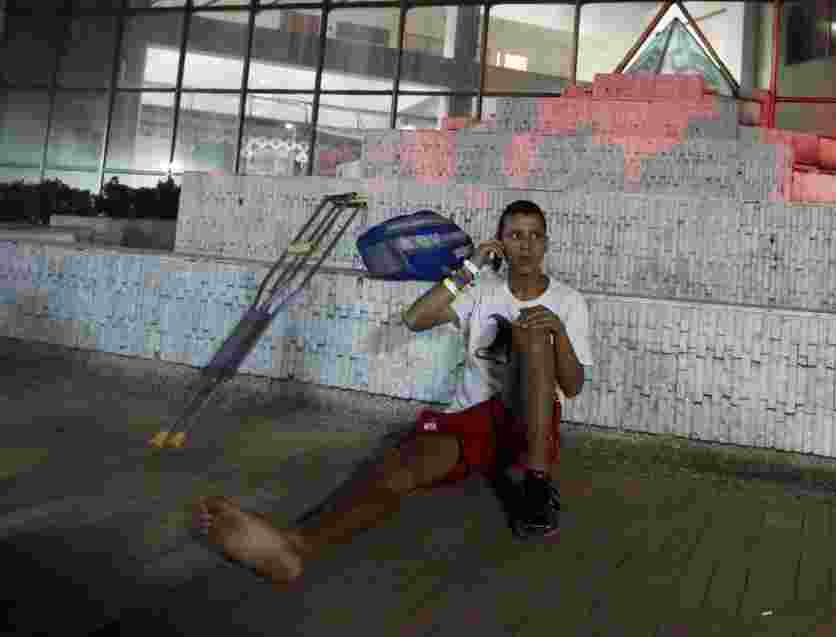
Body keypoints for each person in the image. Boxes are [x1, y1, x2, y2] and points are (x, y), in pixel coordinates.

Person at [191, 200, 595, 589]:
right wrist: (469, 267)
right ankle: (296, 547)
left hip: (531, 422)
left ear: (546, 243)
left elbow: (572, 387)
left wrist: (558, 331)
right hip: (471, 419)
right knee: (396, 468)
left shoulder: (568, 301)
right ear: (499, 242)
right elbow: (415, 318)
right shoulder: (482, 289)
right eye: (515, 235)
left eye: (535, 236)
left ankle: (538, 487)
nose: (525, 245)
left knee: (536, 334)